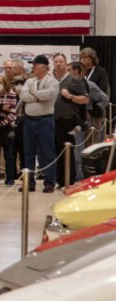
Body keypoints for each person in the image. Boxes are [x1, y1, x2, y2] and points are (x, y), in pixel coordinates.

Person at [19, 55, 59, 193]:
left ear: (44, 67)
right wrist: (38, 95)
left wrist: (34, 94)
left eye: (36, 65)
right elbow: (23, 96)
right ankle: (29, 182)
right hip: (29, 120)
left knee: (48, 152)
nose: (33, 67)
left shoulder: (52, 82)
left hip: (45, 120)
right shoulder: (30, 81)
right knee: (28, 153)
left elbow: (49, 96)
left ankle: (49, 182)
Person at [53, 53, 88, 188]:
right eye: (56, 62)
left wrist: (71, 96)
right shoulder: (52, 81)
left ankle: (69, 179)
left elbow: (85, 99)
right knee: (56, 151)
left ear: (66, 64)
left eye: (61, 61)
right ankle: (59, 179)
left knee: (66, 150)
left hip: (67, 120)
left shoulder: (74, 80)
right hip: (53, 120)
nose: (58, 64)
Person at [79, 47, 110, 144]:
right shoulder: (80, 71)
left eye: (85, 57)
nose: (82, 60)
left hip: (94, 110)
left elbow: (103, 90)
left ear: (92, 58)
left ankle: (92, 158)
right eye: (81, 57)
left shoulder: (100, 71)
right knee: (82, 140)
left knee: (93, 139)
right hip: (81, 110)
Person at [0, 75, 17, 186]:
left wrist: (3, 121)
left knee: (9, 154)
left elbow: (12, 112)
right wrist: (1, 107)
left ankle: (10, 178)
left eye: (0, 82)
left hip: (7, 127)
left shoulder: (11, 94)